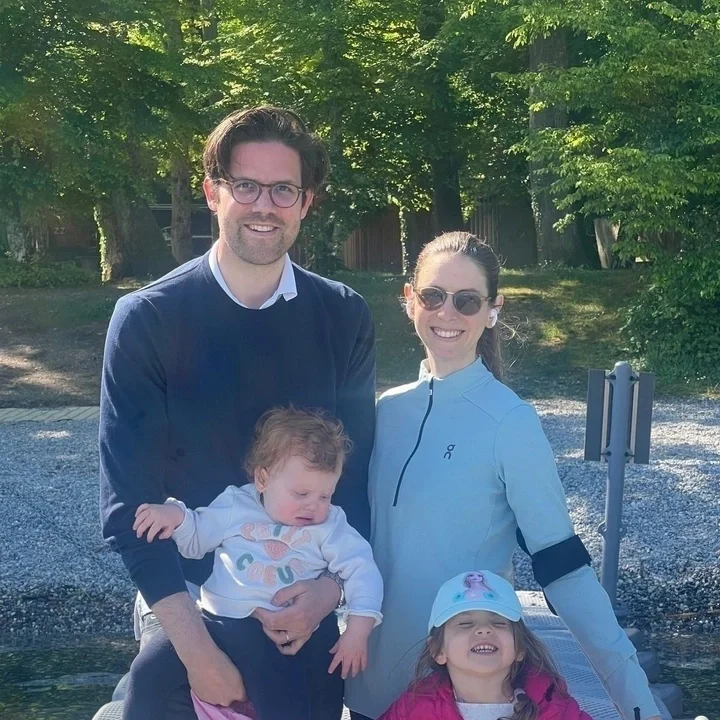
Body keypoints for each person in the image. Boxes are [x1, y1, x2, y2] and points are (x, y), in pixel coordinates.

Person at [98, 106, 376, 719]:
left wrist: (328, 592)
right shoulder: (149, 320)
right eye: (245, 185)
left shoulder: (342, 316)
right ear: (212, 192)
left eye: (283, 190)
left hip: (301, 606)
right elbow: (127, 510)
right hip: (188, 609)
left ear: (306, 202)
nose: (264, 206)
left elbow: (355, 480)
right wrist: (199, 654)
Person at [345, 232, 659, 720]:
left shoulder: (510, 422)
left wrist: (638, 702)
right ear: (409, 299)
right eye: (433, 295)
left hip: (463, 699)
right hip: (370, 693)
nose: (448, 312)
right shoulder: (386, 410)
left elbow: (564, 567)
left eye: (467, 300)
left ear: (493, 309)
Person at [123, 406, 383, 720]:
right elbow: (196, 540)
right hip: (214, 623)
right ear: (262, 479)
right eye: (301, 493)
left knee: (286, 705)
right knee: (147, 672)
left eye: (325, 496)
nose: (314, 506)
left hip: (277, 637)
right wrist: (175, 515)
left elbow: (361, 568)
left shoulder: (330, 525)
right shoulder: (236, 503)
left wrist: (357, 630)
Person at [379, 570, 593, 720]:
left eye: (499, 623)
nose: (484, 629)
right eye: (465, 624)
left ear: (520, 647)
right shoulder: (414, 709)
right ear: (437, 649)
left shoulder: (553, 707)